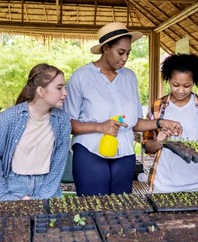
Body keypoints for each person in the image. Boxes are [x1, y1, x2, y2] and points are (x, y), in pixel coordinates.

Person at [64, 22, 182, 196]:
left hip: (124, 153)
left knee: (121, 211)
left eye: (128, 53)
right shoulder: (81, 77)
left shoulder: (129, 77)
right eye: (121, 52)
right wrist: (100, 127)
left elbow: (134, 122)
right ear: (105, 48)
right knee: (93, 210)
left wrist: (162, 122)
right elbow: (68, 123)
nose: (125, 58)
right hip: (90, 152)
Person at [0, 63, 70, 201]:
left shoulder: (63, 120)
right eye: (59, 88)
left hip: (48, 187)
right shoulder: (9, 118)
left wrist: (40, 197)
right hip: (12, 186)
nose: (65, 92)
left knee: (52, 223)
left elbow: (59, 162)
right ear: (41, 91)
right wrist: (3, 196)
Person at [143, 54, 198, 193]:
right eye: (175, 85)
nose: (180, 90)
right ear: (168, 80)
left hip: (197, 182)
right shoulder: (157, 107)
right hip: (164, 182)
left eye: (187, 86)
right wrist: (160, 141)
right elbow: (148, 146)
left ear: (194, 82)